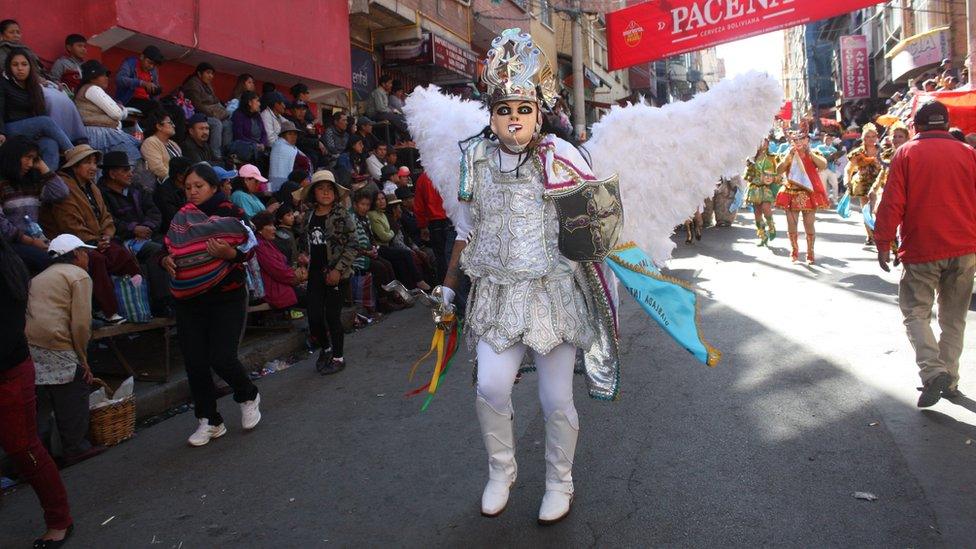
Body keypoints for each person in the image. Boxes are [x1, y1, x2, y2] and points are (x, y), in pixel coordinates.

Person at [875, 100, 976, 408]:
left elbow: (892, 203)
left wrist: (882, 242)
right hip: (965, 248)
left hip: (922, 249)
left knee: (916, 313)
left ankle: (933, 373)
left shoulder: (906, 154)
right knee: (954, 318)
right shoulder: (969, 154)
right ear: (945, 125)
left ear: (916, 126)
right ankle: (950, 378)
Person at [161, 162, 262, 446]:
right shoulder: (181, 217)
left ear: (214, 187)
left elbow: (250, 246)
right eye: (188, 187)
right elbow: (170, 246)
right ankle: (210, 420)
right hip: (189, 299)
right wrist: (164, 259)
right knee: (195, 362)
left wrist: (231, 253)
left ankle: (248, 394)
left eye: (199, 187)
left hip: (226, 296)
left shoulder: (231, 213)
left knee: (222, 356)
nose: (192, 192)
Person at [0, 237, 75, 549]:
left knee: (24, 449)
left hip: (8, 371)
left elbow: (6, 332)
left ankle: (59, 520)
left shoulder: (7, 265)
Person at [27, 234, 107, 467]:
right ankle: (75, 447)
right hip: (55, 339)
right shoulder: (78, 275)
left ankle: (36, 457)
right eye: (84, 252)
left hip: (30, 341)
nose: (88, 256)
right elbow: (81, 324)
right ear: (76, 255)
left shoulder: (39, 277)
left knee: (41, 398)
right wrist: (83, 359)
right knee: (74, 387)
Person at [41, 144, 141, 323]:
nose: (94, 167)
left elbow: (105, 216)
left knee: (123, 255)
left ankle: (135, 305)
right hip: (70, 244)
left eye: (95, 163)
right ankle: (107, 311)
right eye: (88, 163)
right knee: (96, 260)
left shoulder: (91, 187)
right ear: (75, 166)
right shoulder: (64, 187)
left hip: (96, 240)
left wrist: (106, 236)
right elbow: (69, 223)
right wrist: (94, 242)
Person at [297, 170, 357, 374]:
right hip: (315, 273)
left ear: (335, 193)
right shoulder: (309, 216)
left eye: (329, 189)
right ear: (314, 193)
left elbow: (352, 244)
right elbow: (304, 243)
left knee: (332, 316)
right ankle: (326, 348)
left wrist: (338, 271)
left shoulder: (342, 215)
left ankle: (338, 357)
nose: (325, 193)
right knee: (314, 317)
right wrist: (303, 259)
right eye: (321, 189)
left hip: (336, 273)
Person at [97, 151, 169, 312]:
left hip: (147, 235)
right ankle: (161, 303)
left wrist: (148, 227)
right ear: (112, 174)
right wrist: (133, 229)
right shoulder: (101, 194)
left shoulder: (136, 189)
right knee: (157, 251)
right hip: (122, 240)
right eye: (125, 170)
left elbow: (154, 211)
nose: (131, 173)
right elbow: (108, 220)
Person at [0, 136, 68, 273]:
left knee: (72, 259)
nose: (30, 164)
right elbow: (2, 226)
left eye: (34, 159)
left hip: (36, 241)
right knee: (46, 262)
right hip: (10, 244)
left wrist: (43, 167)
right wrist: (30, 241)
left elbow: (61, 192)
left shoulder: (31, 185)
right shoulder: (2, 184)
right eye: (27, 157)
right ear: (13, 156)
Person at [0, 48, 74, 169]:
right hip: (9, 129)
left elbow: (40, 113)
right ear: (9, 67)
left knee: (51, 144)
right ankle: (72, 152)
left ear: (30, 66)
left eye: (24, 64)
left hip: (30, 132)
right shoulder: (3, 84)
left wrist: (40, 132)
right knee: (45, 121)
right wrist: (1, 132)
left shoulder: (35, 88)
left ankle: (46, 182)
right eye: (15, 64)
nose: (20, 68)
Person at [775, 131, 829, 264]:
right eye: (796, 140)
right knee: (791, 224)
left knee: (809, 224)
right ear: (792, 142)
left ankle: (810, 252)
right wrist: (788, 157)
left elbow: (823, 165)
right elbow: (779, 170)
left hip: (809, 193)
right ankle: (794, 251)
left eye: (802, 139)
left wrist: (810, 153)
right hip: (791, 192)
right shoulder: (788, 154)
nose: (799, 142)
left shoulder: (814, 153)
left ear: (807, 140)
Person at [73, 60, 142, 164]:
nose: (106, 78)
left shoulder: (85, 89)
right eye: (103, 75)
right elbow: (117, 113)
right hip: (100, 134)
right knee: (128, 160)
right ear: (92, 77)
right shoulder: (93, 88)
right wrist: (123, 110)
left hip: (94, 134)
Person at [368, 189, 429, 292]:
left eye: (383, 199)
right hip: (381, 247)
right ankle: (418, 281)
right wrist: (392, 232)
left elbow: (406, 238)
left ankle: (411, 288)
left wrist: (415, 249)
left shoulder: (383, 215)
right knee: (406, 254)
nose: (381, 201)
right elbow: (385, 237)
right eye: (378, 199)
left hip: (389, 246)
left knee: (405, 259)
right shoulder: (374, 215)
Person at [252, 211, 306, 310]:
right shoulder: (260, 246)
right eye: (270, 225)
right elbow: (278, 270)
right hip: (275, 289)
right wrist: (297, 277)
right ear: (260, 229)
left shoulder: (267, 242)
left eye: (273, 225)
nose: (274, 228)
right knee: (312, 296)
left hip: (282, 283)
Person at [413, 171, 454, 284]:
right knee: (452, 255)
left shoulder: (423, 178)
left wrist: (422, 226)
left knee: (441, 257)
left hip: (435, 223)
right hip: (451, 219)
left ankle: (444, 286)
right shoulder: (447, 174)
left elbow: (419, 206)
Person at [181, 62, 228, 161]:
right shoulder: (193, 84)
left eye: (212, 74)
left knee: (228, 124)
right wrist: (213, 114)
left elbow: (215, 100)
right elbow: (197, 105)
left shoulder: (207, 85)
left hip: (209, 113)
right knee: (216, 124)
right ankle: (216, 154)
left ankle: (227, 152)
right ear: (199, 73)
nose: (211, 76)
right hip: (195, 115)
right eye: (208, 73)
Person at [846, 124, 883, 245]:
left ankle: (880, 232)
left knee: (879, 209)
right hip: (863, 183)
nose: (871, 139)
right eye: (868, 136)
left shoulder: (883, 151)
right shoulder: (858, 153)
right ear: (863, 138)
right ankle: (870, 235)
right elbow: (849, 168)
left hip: (879, 184)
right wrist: (847, 181)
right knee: (866, 210)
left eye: (873, 136)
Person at [744, 138, 779, 247]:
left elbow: (777, 173)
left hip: (766, 188)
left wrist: (772, 179)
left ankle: (771, 227)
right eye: (760, 141)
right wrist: (749, 170)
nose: (763, 143)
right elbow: (748, 175)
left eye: (765, 141)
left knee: (766, 208)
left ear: (768, 144)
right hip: (755, 188)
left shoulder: (772, 157)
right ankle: (763, 235)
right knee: (757, 213)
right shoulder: (752, 158)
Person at [115, 45, 164, 111]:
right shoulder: (130, 63)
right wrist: (142, 83)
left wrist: (156, 90)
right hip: (128, 100)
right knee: (154, 106)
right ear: (142, 57)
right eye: (149, 62)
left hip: (146, 101)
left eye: (154, 65)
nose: (151, 66)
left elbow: (155, 92)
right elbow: (119, 79)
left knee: (175, 110)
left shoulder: (153, 70)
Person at [140, 109, 182, 182]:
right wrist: (178, 181)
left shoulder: (173, 144)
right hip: (164, 186)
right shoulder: (150, 143)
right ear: (159, 126)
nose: (174, 125)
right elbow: (157, 169)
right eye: (170, 123)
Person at [269, 120, 311, 192]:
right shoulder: (280, 146)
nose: (293, 137)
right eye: (290, 134)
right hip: (285, 184)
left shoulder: (292, 148)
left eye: (295, 134)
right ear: (283, 136)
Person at [365, 75, 408, 141]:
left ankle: (403, 138)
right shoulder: (378, 92)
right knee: (396, 117)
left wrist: (393, 110)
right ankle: (407, 134)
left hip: (381, 114)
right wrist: (392, 110)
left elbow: (385, 107)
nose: (391, 85)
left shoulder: (384, 93)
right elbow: (380, 108)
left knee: (400, 116)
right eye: (389, 83)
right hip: (374, 115)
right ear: (383, 84)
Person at [154, 156, 191, 234]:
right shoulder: (164, 193)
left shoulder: (187, 188)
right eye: (189, 173)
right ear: (180, 177)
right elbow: (174, 220)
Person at [229, 90, 267, 163]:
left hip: (259, 148)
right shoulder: (238, 115)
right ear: (249, 102)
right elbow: (239, 135)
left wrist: (262, 144)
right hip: (245, 149)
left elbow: (264, 133)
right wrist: (255, 144)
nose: (259, 104)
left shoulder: (257, 115)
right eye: (257, 101)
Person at [812, 132, 840, 204]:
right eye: (826, 138)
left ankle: (835, 200)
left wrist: (837, 162)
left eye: (829, 139)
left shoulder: (834, 149)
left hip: (832, 169)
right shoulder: (819, 148)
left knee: (835, 184)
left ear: (831, 140)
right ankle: (824, 200)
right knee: (823, 186)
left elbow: (836, 159)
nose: (828, 140)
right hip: (822, 168)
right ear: (824, 139)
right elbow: (816, 155)